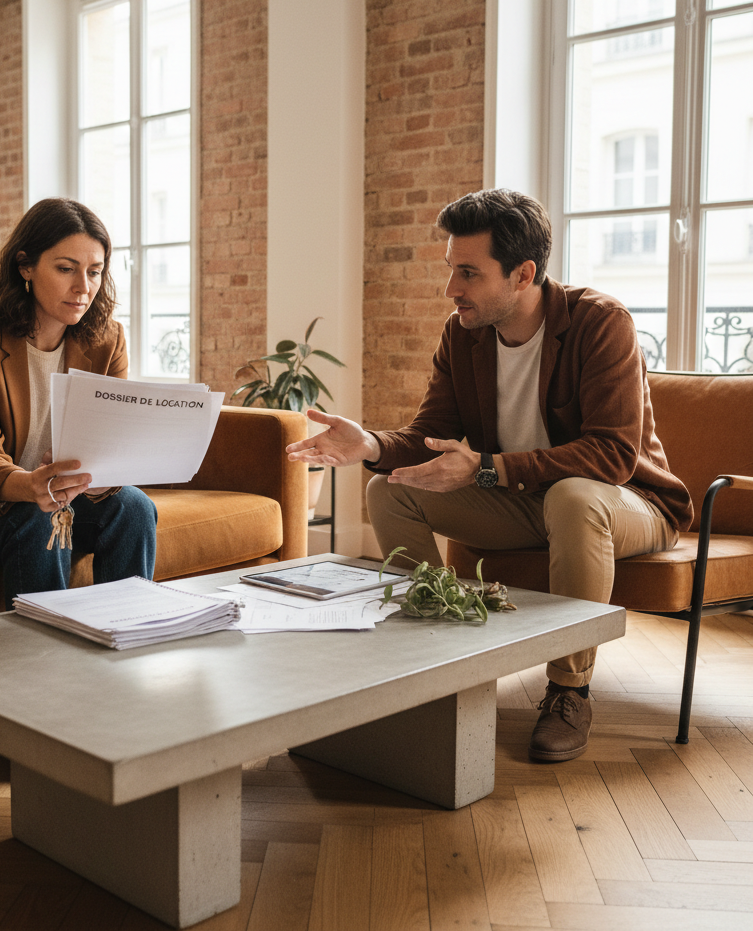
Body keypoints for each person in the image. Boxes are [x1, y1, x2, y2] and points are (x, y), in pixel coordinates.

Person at [286, 189, 692, 762]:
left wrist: (485, 468)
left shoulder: (601, 323)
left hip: (628, 504)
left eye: (469, 273)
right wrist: (372, 444)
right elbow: (430, 435)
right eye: (451, 270)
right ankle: (428, 664)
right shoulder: (463, 333)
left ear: (523, 273)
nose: (451, 289)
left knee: (574, 498)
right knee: (390, 490)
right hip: (526, 501)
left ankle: (569, 690)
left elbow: (612, 456)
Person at [0, 198, 158, 608]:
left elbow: (108, 446)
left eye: (94, 272)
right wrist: (32, 485)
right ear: (25, 267)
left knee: (134, 507)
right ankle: (42, 665)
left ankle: (129, 632)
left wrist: (108, 476)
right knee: (37, 512)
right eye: (66, 268)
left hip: (58, 496)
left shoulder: (109, 340)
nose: (83, 287)